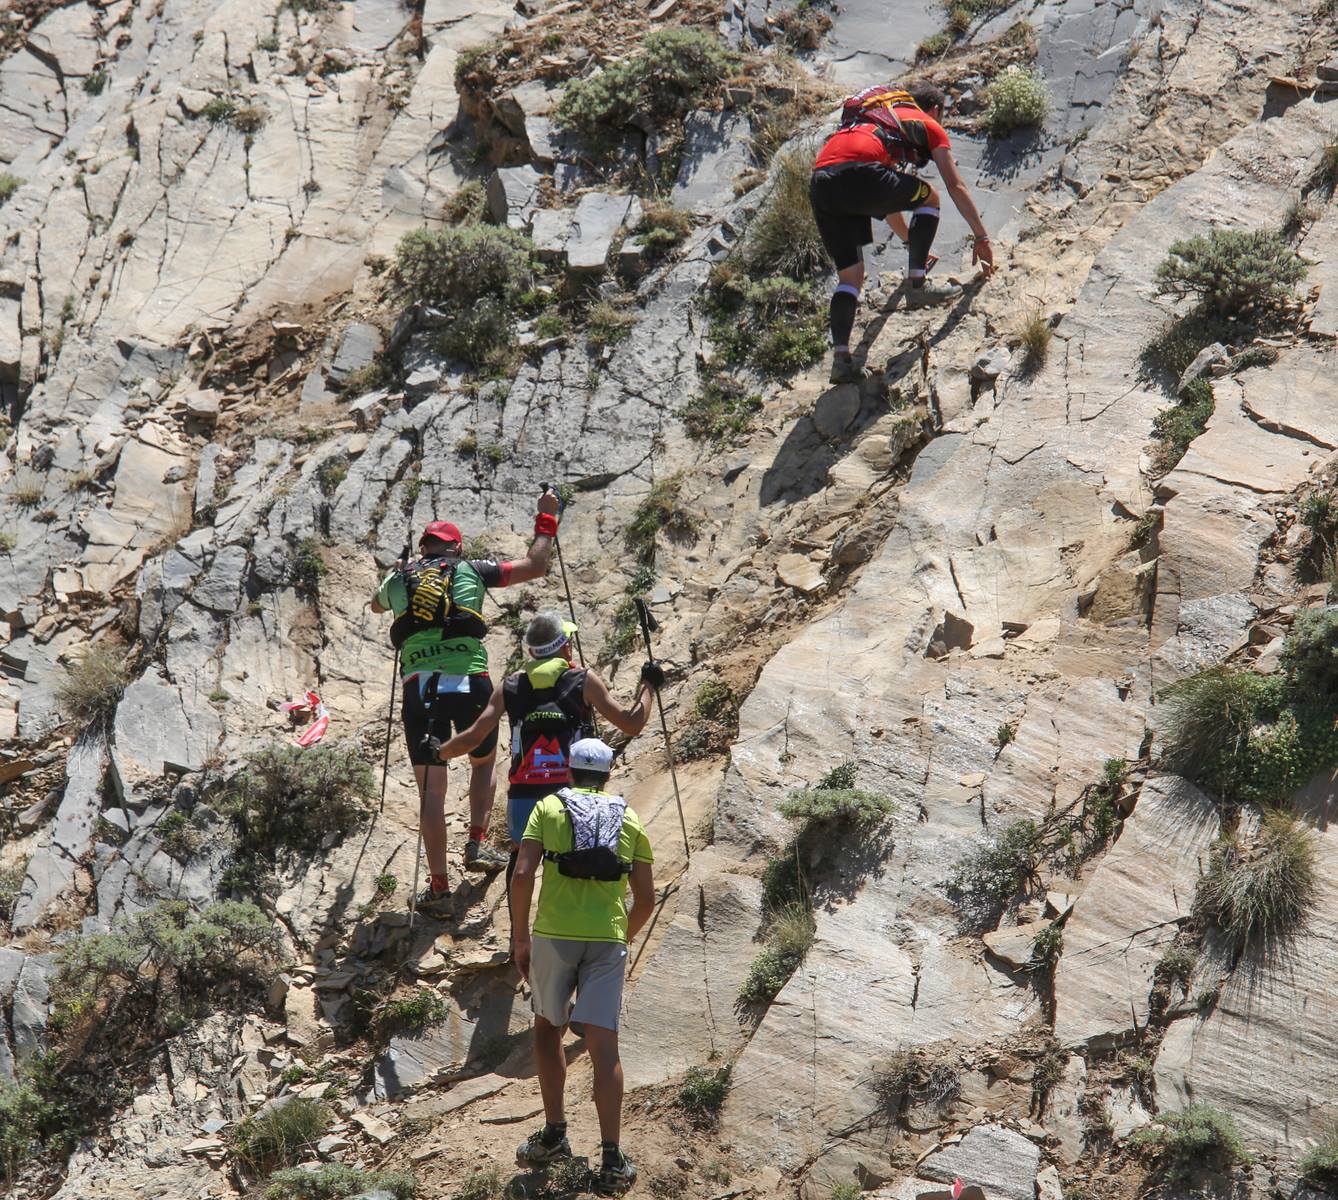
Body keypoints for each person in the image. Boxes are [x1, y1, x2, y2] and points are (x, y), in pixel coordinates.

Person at [370, 488, 560, 914]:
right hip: (471, 680)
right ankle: (476, 842)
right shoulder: (472, 569)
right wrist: (547, 518)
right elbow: (535, 565)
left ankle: (439, 888)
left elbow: (376, 606)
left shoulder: (399, 579)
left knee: (431, 791)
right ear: (456, 547)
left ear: (423, 549)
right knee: (482, 762)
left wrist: (396, 575)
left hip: (420, 687)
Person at [431, 610, 661, 917]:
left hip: (522, 798)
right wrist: (648, 685)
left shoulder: (510, 686)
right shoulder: (583, 680)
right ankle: (571, 927)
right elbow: (631, 723)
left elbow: (474, 736)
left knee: (520, 863)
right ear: (565, 647)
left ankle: (517, 936)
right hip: (572, 797)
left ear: (531, 652)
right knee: (576, 862)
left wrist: (439, 752)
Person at [510, 738, 654, 1195]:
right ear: (608, 775)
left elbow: (522, 873)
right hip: (607, 937)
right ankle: (612, 1161)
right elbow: (646, 899)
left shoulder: (548, 808)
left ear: (568, 771)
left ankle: (555, 1133)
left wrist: (520, 936)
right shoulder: (629, 817)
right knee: (603, 1047)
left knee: (546, 1028)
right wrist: (620, 938)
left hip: (554, 933)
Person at [809, 81, 997, 384]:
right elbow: (955, 185)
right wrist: (981, 236)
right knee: (930, 197)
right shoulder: (926, 123)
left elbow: (886, 204)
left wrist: (912, 242)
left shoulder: (878, 123)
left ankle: (841, 360)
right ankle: (917, 286)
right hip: (861, 171)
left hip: (822, 181)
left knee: (851, 278)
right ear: (935, 110)